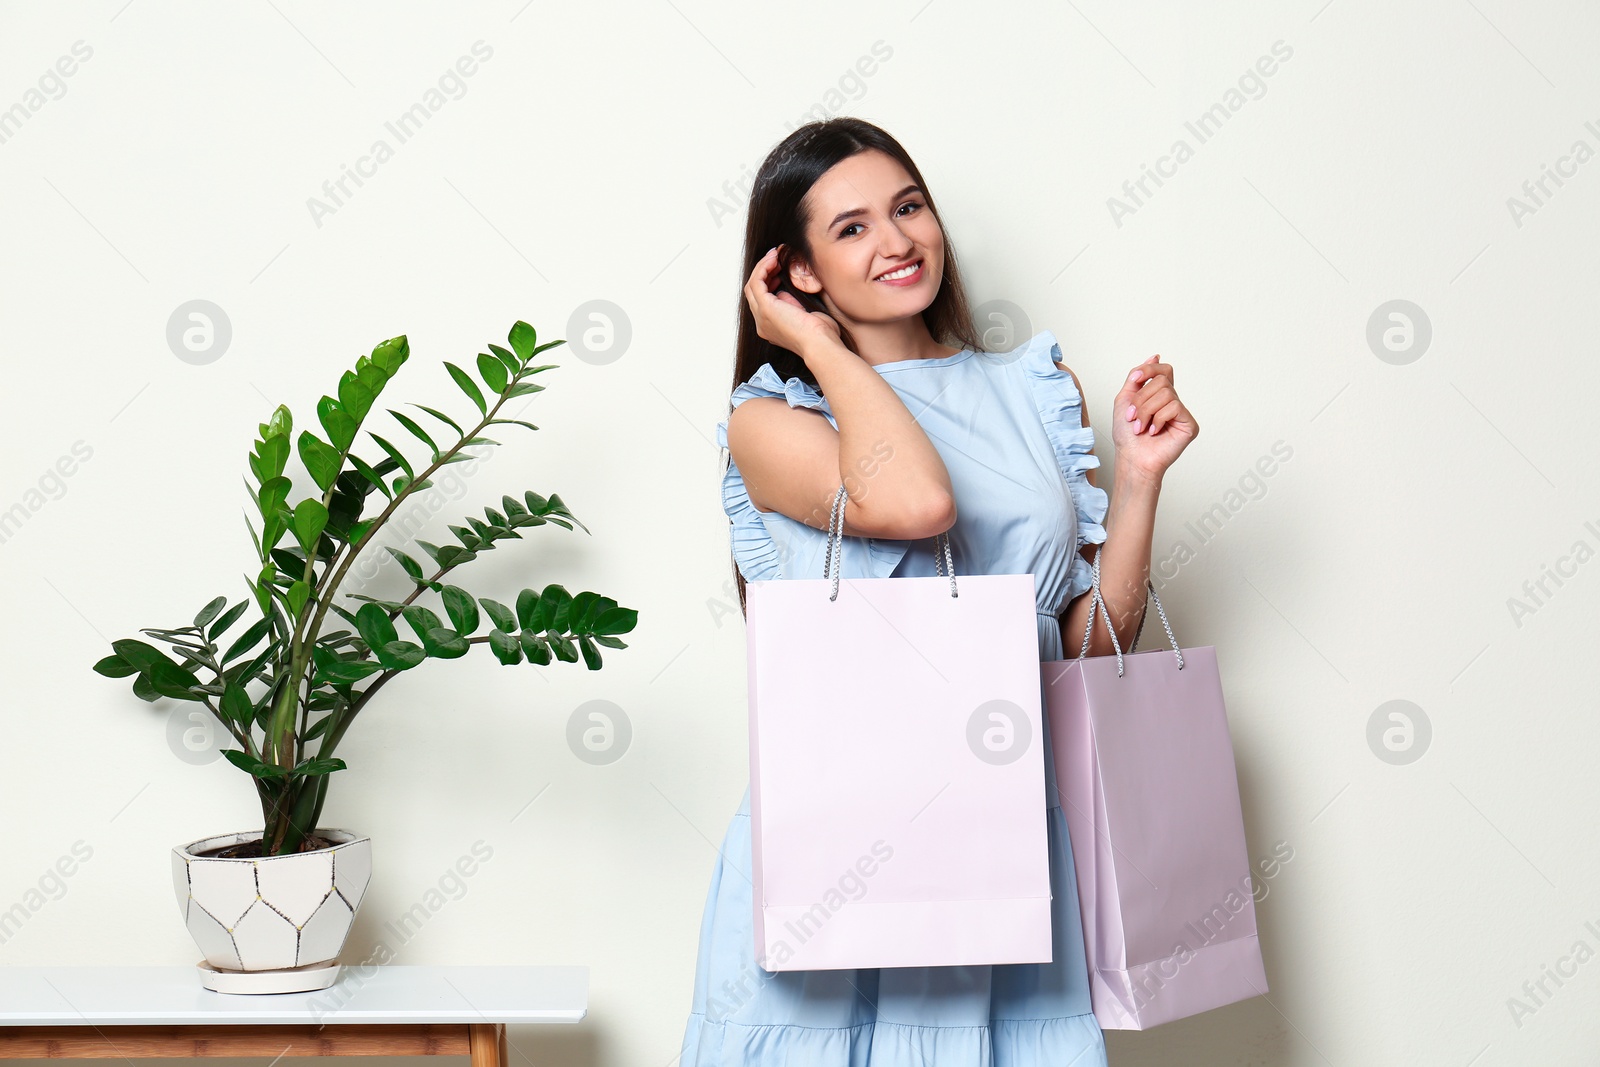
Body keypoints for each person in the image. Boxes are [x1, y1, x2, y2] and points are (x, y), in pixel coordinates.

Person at [681, 117, 1198, 1064]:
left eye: (909, 207)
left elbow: (1087, 648)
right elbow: (914, 500)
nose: (896, 240)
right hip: (838, 847)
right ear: (792, 272)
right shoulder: (773, 418)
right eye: (851, 229)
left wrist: (1138, 480)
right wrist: (817, 346)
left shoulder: (1035, 389)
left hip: (1010, 846)